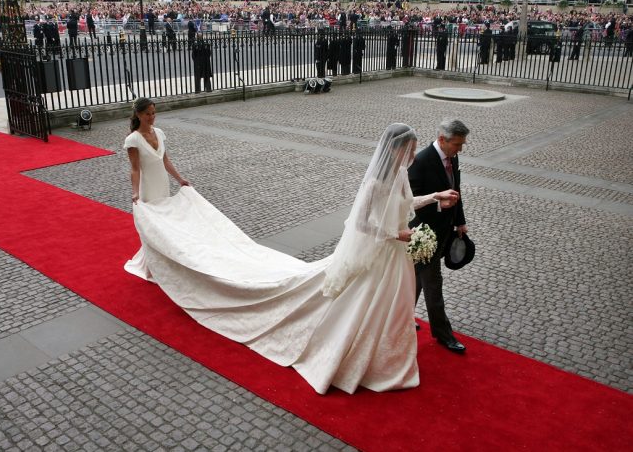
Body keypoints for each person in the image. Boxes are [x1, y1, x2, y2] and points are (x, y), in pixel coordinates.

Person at [125, 123, 458, 394]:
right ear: (396, 149)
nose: (413, 154)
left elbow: (405, 206)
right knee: (367, 305)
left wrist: (435, 197)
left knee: (392, 307)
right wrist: (396, 235)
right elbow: (363, 223)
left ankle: (392, 356)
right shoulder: (374, 181)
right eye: (409, 149)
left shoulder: (400, 176)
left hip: (395, 256)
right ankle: (369, 359)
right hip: (381, 253)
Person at [408, 119, 470, 354]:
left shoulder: (452, 157)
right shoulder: (420, 161)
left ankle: (400, 317)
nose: (460, 149)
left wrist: (460, 221)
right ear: (443, 139)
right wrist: (438, 204)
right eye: (457, 144)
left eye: (462, 145)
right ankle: (444, 335)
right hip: (424, 235)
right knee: (433, 285)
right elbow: (409, 202)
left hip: (445, 230)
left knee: (414, 280)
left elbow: (456, 192)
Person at [124, 98, 190, 281]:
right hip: (148, 187)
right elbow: (135, 169)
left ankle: (164, 262)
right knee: (152, 228)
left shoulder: (159, 133)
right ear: (138, 115)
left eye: (154, 113)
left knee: (164, 225)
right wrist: (135, 192)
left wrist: (180, 179)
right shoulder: (133, 140)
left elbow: (165, 160)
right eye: (148, 114)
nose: (152, 117)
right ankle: (151, 266)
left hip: (162, 184)